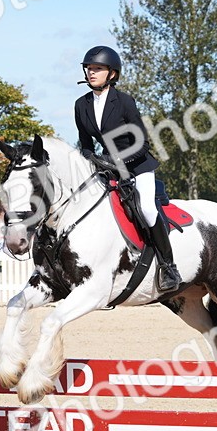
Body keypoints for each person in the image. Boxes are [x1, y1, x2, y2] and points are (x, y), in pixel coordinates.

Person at [73, 45, 180, 292]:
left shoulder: (124, 102)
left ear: (112, 73)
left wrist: (116, 160)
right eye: (89, 68)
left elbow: (141, 143)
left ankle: (168, 267)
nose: (91, 72)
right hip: (107, 167)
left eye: (97, 68)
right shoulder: (81, 105)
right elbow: (85, 145)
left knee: (147, 209)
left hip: (138, 165)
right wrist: (92, 160)